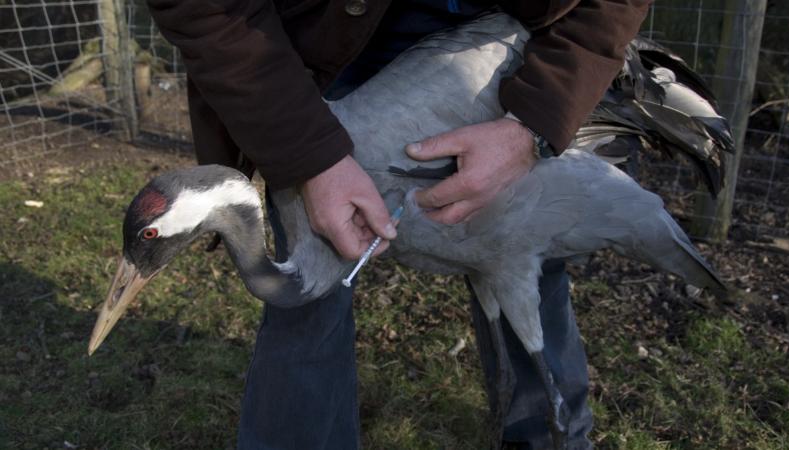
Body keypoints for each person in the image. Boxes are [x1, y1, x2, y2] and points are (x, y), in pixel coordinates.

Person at [146, 0, 652, 448]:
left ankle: (548, 437)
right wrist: (310, 161)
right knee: (308, 280)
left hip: (494, 36)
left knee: (525, 253)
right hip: (318, 43)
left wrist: (532, 125)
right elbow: (203, 7)